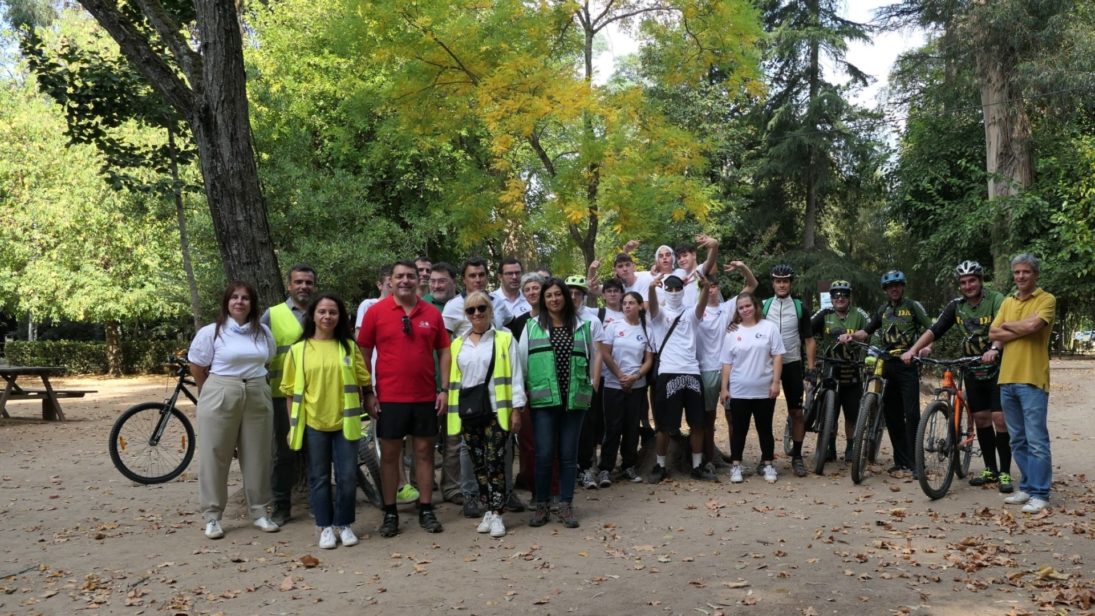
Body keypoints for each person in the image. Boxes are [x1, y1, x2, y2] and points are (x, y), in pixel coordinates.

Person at [357, 261, 451, 537]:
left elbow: (444, 350)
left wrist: (444, 388)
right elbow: (362, 353)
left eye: (410, 276)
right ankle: (390, 512)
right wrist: (368, 391)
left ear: (417, 280)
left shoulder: (431, 313)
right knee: (389, 456)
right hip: (389, 397)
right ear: (390, 280)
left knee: (424, 453)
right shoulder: (376, 312)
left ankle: (425, 508)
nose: (405, 281)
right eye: (400, 276)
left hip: (424, 397)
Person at [902, 261, 1012, 492]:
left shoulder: (996, 299)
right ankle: (990, 469)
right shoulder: (956, 306)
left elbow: (1004, 326)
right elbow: (935, 330)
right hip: (971, 368)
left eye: (972, 280)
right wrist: (913, 350)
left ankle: (1004, 472)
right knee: (981, 419)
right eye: (963, 282)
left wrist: (995, 348)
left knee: (1000, 420)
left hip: (997, 369)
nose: (968, 285)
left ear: (981, 280)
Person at [188, 282, 279, 539]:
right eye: (235, 298)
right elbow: (197, 365)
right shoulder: (211, 332)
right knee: (215, 454)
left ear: (252, 304)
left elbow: (268, 358)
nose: (240, 302)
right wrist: (209, 391)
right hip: (221, 390)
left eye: (245, 298)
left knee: (258, 454)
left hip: (256, 392)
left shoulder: (262, 332)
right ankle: (213, 516)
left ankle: (260, 511)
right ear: (227, 302)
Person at [281, 294, 371, 549]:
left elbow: (364, 381)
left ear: (340, 317)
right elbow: (289, 392)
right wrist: (292, 426)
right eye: (322, 311)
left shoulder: (348, 347)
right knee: (318, 477)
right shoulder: (298, 351)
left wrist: (369, 399)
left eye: (333, 312)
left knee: (346, 476)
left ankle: (344, 523)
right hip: (313, 424)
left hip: (346, 423)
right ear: (313, 315)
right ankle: (325, 526)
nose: (327, 316)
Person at [518, 277, 602, 528]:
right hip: (544, 402)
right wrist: (523, 395)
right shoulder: (532, 326)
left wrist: (592, 385)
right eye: (549, 296)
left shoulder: (581, 325)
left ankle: (565, 504)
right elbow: (521, 363)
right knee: (543, 455)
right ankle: (542, 504)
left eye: (558, 294)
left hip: (573, 401)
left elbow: (592, 357)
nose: (554, 299)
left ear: (565, 297)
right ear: (543, 300)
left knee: (568, 456)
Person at [446, 292, 527, 538]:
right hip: (471, 412)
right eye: (471, 310)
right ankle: (488, 510)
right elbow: (455, 382)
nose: (477, 314)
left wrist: (517, 409)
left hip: (497, 410)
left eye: (482, 308)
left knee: (495, 462)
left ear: (490, 310)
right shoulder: (458, 343)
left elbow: (515, 375)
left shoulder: (504, 338)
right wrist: (455, 416)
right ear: (466, 315)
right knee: (478, 464)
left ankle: (498, 512)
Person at [847, 270, 933, 475]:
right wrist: (852, 337)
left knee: (911, 414)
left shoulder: (912, 306)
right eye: (889, 287)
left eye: (897, 285)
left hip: (907, 364)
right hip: (887, 365)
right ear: (885, 290)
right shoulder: (883, 310)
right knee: (892, 415)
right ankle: (901, 461)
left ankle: (916, 463)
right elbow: (866, 331)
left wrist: (927, 347)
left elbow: (932, 328)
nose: (894, 289)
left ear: (902, 287)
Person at [989, 254, 1056, 513]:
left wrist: (1008, 326)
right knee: (1017, 439)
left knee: (1037, 439)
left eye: (1025, 272)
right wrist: (1020, 327)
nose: (1020, 277)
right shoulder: (1007, 301)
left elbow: (1035, 326)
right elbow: (993, 333)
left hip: (1032, 379)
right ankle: (1027, 486)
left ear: (1035, 274)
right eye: (1017, 272)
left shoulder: (1046, 299)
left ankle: (1041, 493)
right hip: (1007, 379)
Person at [260, 264, 315, 526]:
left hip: (317, 396)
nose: (303, 286)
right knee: (284, 453)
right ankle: (281, 507)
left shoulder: (321, 312)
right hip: (281, 394)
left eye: (308, 282)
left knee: (316, 452)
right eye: (299, 282)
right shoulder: (272, 315)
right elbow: (257, 348)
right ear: (289, 285)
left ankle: (318, 504)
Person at [646, 273, 713, 482]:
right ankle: (660, 465)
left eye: (677, 289)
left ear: (683, 291)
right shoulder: (660, 314)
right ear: (664, 290)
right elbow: (653, 307)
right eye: (670, 289)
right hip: (667, 372)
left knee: (697, 424)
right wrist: (650, 288)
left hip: (692, 371)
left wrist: (705, 287)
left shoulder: (691, 312)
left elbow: (701, 307)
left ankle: (697, 465)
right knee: (664, 426)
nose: (674, 293)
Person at [695, 262, 757, 472]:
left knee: (734, 417)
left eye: (714, 286)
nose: (711, 290)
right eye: (707, 287)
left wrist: (742, 267)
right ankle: (709, 459)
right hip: (705, 368)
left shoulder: (728, 307)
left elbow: (752, 284)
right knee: (708, 417)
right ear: (702, 289)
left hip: (730, 368)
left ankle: (736, 459)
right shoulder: (697, 310)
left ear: (718, 288)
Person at [720, 292, 786, 484]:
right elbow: (726, 363)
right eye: (741, 307)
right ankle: (736, 465)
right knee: (739, 429)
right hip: (739, 390)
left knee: (765, 429)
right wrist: (724, 388)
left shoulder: (769, 328)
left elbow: (778, 356)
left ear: (755, 306)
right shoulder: (732, 332)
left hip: (764, 390)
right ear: (737, 311)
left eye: (748, 305)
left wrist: (776, 382)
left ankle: (768, 464)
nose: (745, 310)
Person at [761, 264, 815, 477]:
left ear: (791, 283)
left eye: (785, 281)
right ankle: (767, 458)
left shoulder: (800, 307)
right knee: (765, 413)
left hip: (792, 363)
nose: (781, 284)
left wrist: (811, 368)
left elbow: (809, 340)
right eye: (778, 281)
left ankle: (798, 457)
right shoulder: (764, 306)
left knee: (796, 413)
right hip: (768, 364)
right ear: (773, 283)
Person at [597, 291, 653, 483]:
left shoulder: (646, 329)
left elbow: (649, 359)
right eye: (625, 303)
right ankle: (605, 468)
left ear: (639, 306)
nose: (627, 306)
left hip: (637, 386)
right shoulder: (613, 327)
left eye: (631, 303)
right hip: (613, 385)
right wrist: (620, 375)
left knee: (631, 427)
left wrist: (635, 376)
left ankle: (628, 465)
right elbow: (605, 353)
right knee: (613, 427)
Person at [811, 280, 870, 461]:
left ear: (849, 297)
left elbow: (872, 330)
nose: (840, 298)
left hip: (852, 370)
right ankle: (830, 448)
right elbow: (807, 330)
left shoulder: (859, 314)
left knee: (852, 414)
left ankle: (851, 448)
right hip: (830, 370)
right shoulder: (825, 314)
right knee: (830, 412)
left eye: (844, 294)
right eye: (836, 295)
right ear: (831, 298)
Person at [443, 257, 512, 338]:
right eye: (472, 276)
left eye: (481, 275)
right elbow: (443, 341)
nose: (478, 280)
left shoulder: (497, 301)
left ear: (487, 277)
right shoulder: (453, 305)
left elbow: (510, 325)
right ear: (464, 279)